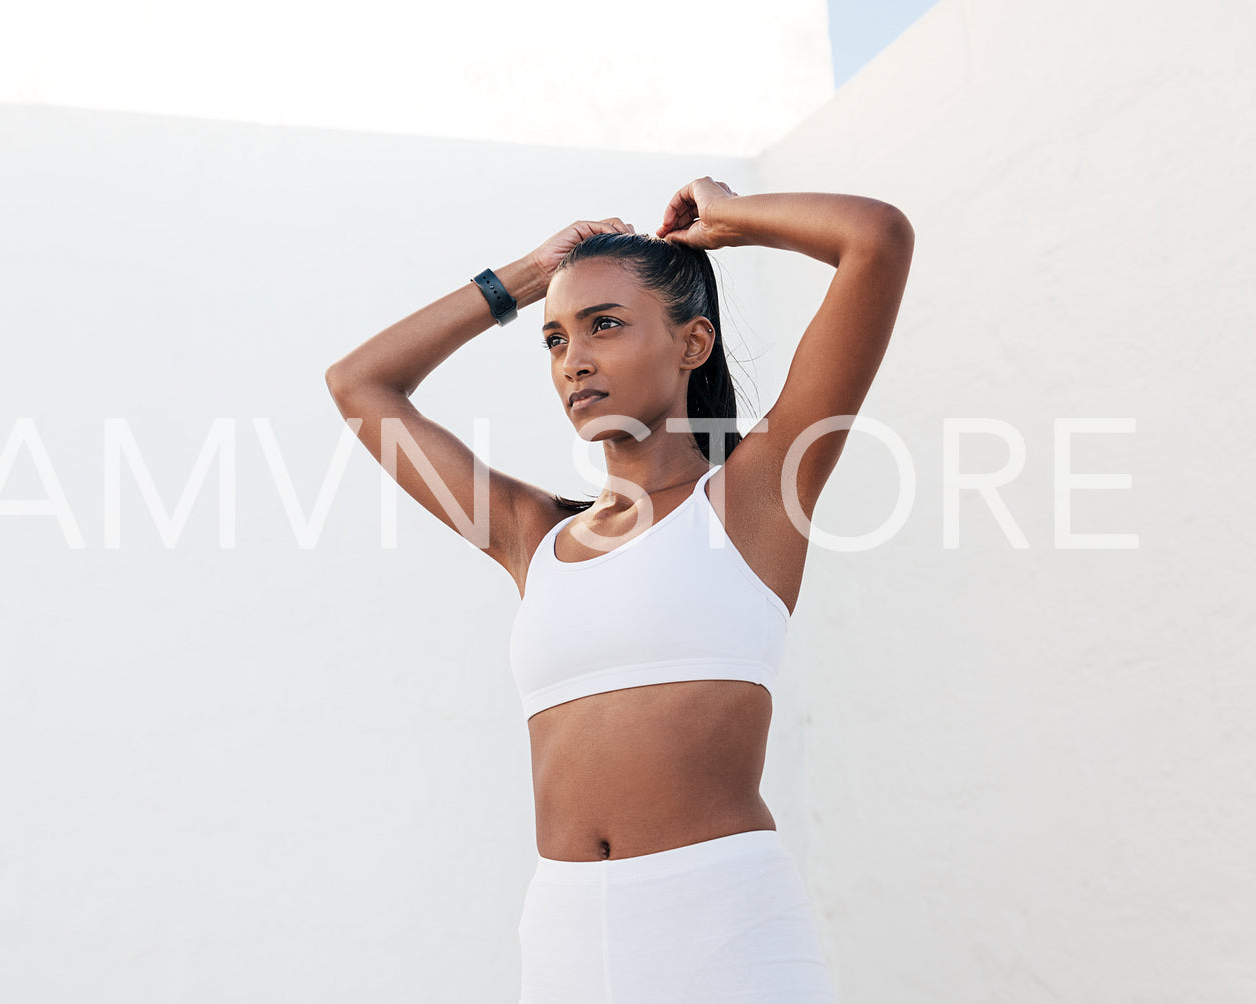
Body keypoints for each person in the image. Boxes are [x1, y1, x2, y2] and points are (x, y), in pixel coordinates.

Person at [324, 176, 913, 1003]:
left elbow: (875, 240)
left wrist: (728, 216)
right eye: (555, 341)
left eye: (604, 326)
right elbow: (359, 385)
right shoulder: (532, 534)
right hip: (564, 934)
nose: (576, 361)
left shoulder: (753, 499)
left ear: (692, 344)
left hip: (724, 926)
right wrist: (524, 278)